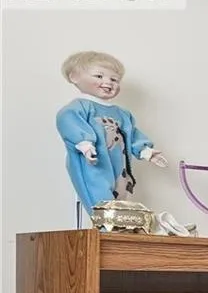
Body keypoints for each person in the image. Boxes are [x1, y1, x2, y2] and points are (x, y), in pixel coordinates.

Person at [56, 51, 167, 213]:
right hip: (93, 162)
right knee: (99, 196)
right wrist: (84, 143)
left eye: (114, 79)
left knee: (121, 197)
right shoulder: (80, 107)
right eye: (99, 76)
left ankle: (118, 223)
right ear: (74, 77)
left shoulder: (122, 113)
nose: (108, 82)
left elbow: (131, 134)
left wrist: (146, 151)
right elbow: (69, 121)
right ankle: (103, 222)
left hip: (119, 166)